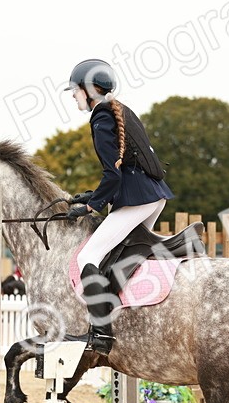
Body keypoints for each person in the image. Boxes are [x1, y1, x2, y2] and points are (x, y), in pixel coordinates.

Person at [62, 58, 173, 355]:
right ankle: (124, 316)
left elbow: (113, 174)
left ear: (90, 90)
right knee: (123, 253)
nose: (73, 96)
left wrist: (91, 208)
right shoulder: (120, 110)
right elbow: (120, 172)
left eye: (75, 90)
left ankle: (101, 335)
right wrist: (91, 196)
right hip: (151, 195)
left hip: (138, 198)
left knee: (88, 257)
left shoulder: (102, 118)